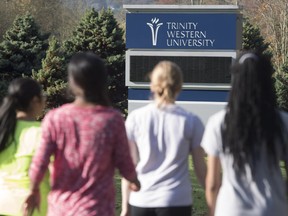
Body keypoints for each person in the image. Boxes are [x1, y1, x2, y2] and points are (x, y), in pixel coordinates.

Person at [24, 52, 140, 216]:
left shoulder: (55, 118)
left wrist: (33, 189)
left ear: (72, 82)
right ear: (102, 82)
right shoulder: (112, 120)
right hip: (98, 209)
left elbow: (39, 162)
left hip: (61, 209)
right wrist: (134, 180)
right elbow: (124, 162)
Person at [202, 52, 288, 216]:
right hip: (273, 208)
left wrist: (212, 210)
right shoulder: (282, 122)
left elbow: (212, 182)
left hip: (231, 208)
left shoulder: (218, 123)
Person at [121, 61, 207, 216]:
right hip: (177, 200)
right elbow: (201, 169)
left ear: (153, 85)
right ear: (179, 86)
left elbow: (130, 165)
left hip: (142, 199)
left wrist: (125, 207)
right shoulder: (191, 121)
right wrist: (214, 200)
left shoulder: (135, 118)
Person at [0, 78, 49, 216]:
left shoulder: (3, 131)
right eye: (43, 96)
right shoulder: (44, 133)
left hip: (3, 205)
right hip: (34, 208)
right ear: (35, 100)